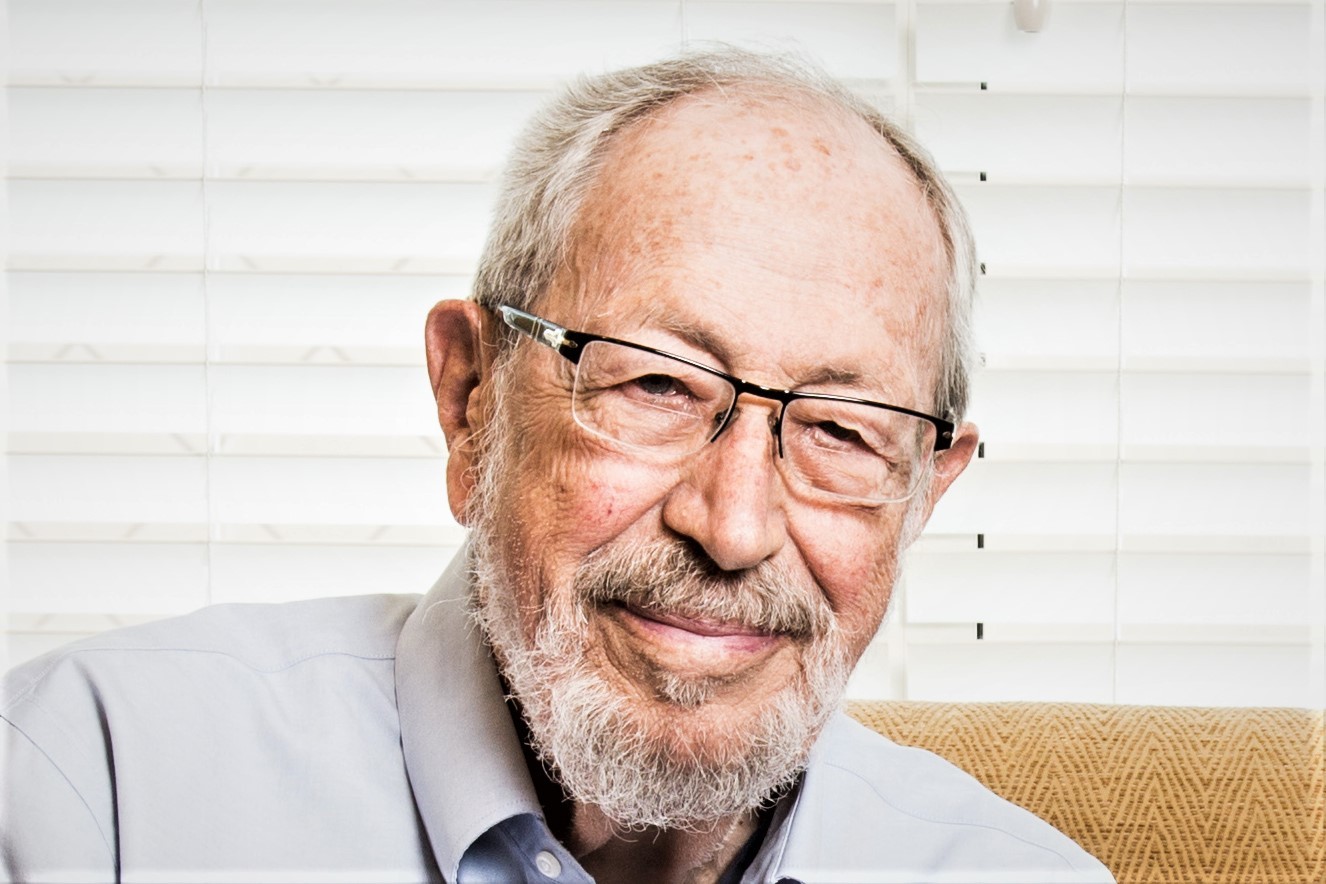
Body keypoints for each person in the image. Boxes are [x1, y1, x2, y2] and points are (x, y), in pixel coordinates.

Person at [1, 50, 1113, 883]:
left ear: (924, 493)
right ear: (471, 401)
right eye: (657, 385)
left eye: (841, 429)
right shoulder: (92, 794)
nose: (733, 527)